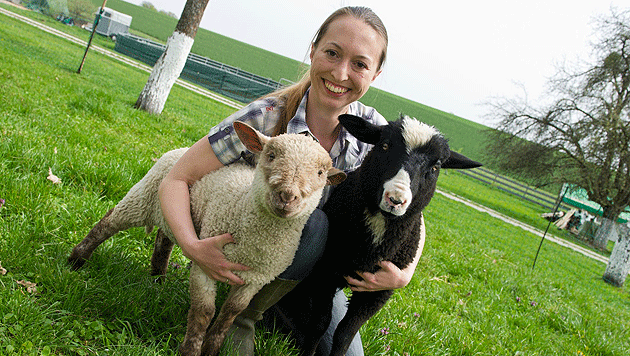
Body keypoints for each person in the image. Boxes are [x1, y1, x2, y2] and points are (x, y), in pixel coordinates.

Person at [158, 6, 425, 355]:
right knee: (314, 222)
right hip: (254, 253)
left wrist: (405, 272)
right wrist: (192, 246)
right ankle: (245, 317)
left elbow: (413, 205)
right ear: (313, 51)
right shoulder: (267, 117)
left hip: (322, 276)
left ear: (374, 74)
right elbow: (177, 178)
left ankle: (278, 308)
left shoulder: (376, 135)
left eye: (360, 64)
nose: (341, 73)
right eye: (332, 53)